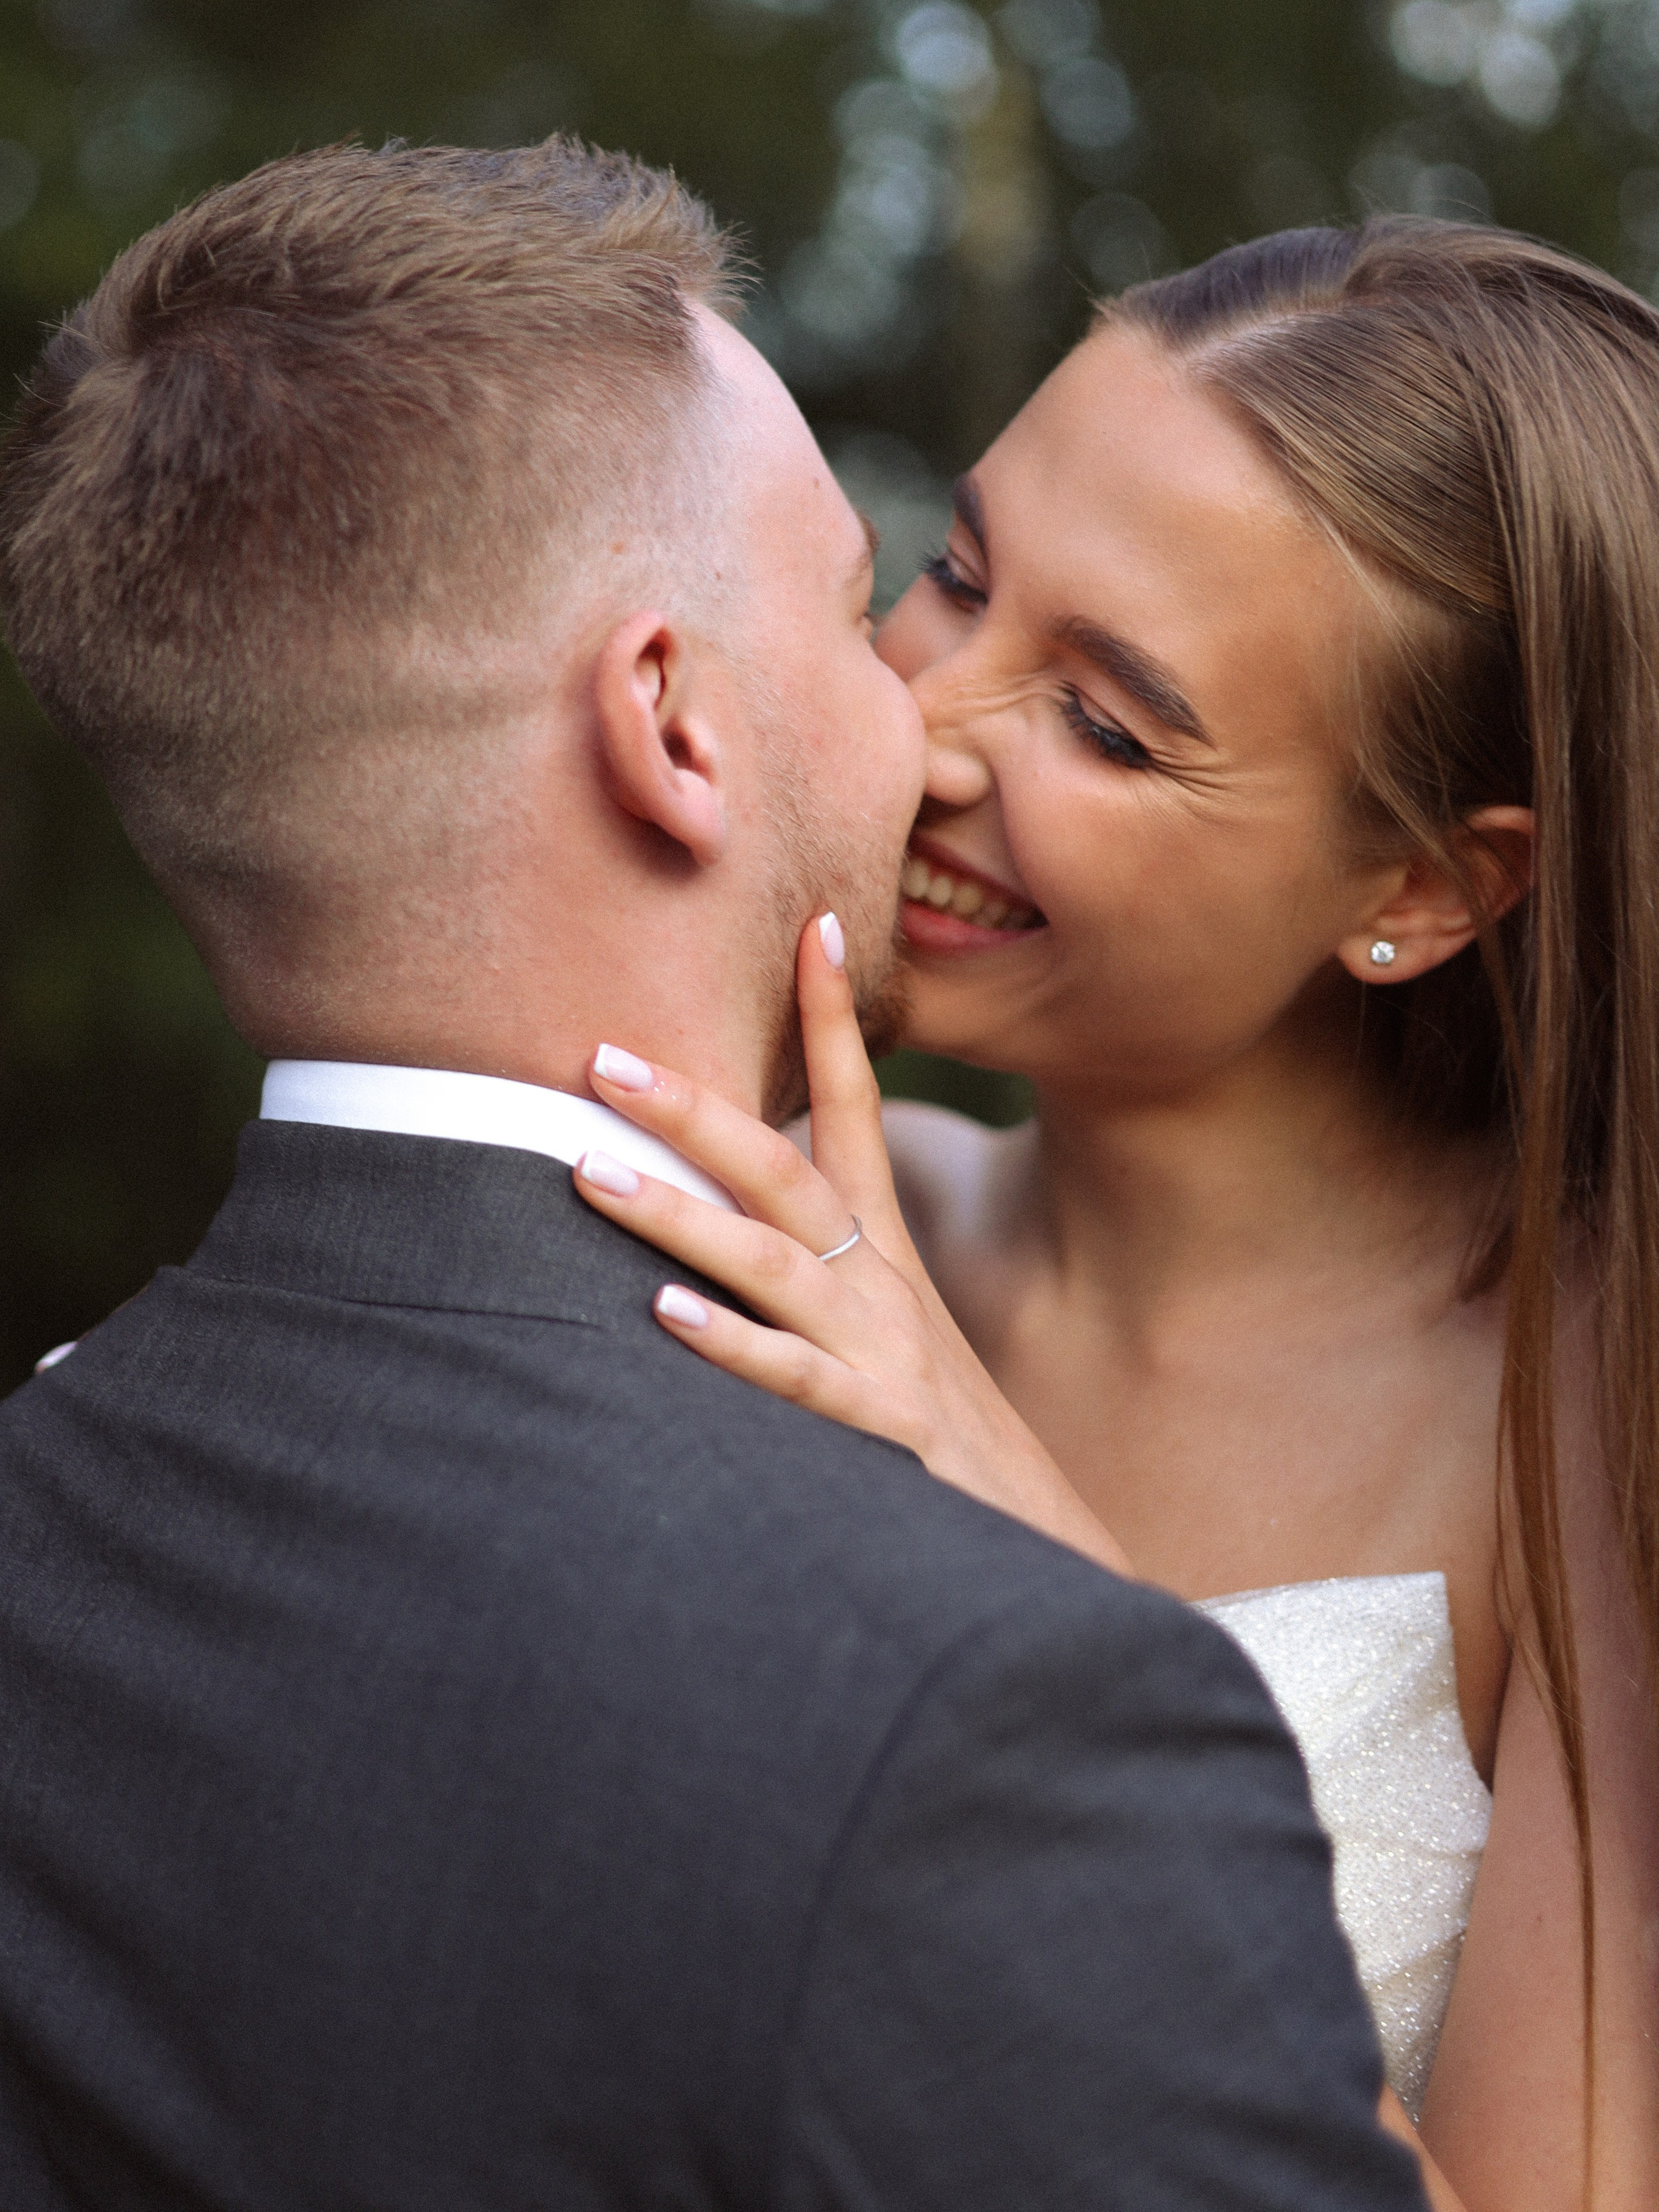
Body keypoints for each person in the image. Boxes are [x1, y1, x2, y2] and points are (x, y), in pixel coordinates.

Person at [0, 144, 1424, 2208]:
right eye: (865, 606)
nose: (931, 731)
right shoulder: (987, 1718)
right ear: (670, 722)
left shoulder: (48, 1498)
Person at [565, 222, 1659, 2211]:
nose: (922, 725)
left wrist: (1027, 1545)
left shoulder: (1590, 1402)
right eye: (957, 574)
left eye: (1112, 724)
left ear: (1425, 887)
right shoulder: (728, 1219)